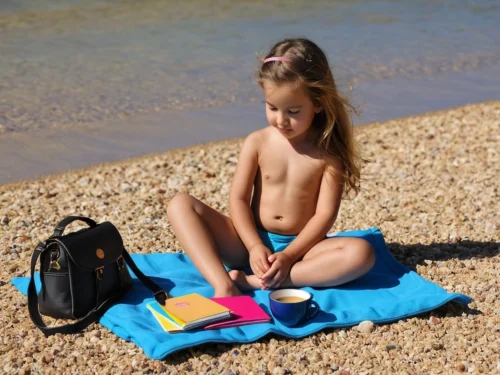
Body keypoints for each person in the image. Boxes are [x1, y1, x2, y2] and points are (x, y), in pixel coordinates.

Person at [167, 38, 375, 297]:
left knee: (362, 254)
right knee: (180, 204)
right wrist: (254, 245)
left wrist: (289, 255)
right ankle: (223, 284)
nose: (281, 119)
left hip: (303, 249)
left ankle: (258, 281)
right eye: (272, 107)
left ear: (318, 103)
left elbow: (324, 216)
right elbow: (239, 199)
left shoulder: (328, 155)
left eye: (294, 111)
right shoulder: (258, 142)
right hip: (247, 242)